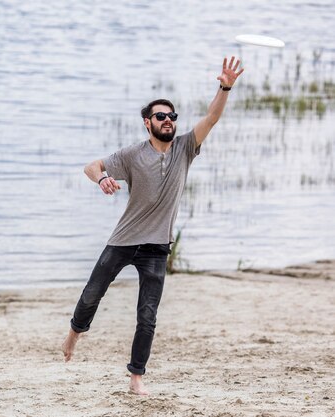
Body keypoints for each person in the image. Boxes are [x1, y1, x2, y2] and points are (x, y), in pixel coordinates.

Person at [61, 57, 244, 395]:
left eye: (172, 117)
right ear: (148, 123)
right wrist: (102, 178)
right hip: (124, 240)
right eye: (161, 117)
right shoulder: (133, 154)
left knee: (147, 315)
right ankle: (75, 331)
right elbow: (92, 165)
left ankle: (136, 378)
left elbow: (213, 116)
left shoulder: (186, 148)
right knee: (91, 295)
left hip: (157, 247)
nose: (168, 121)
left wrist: (225, 86)